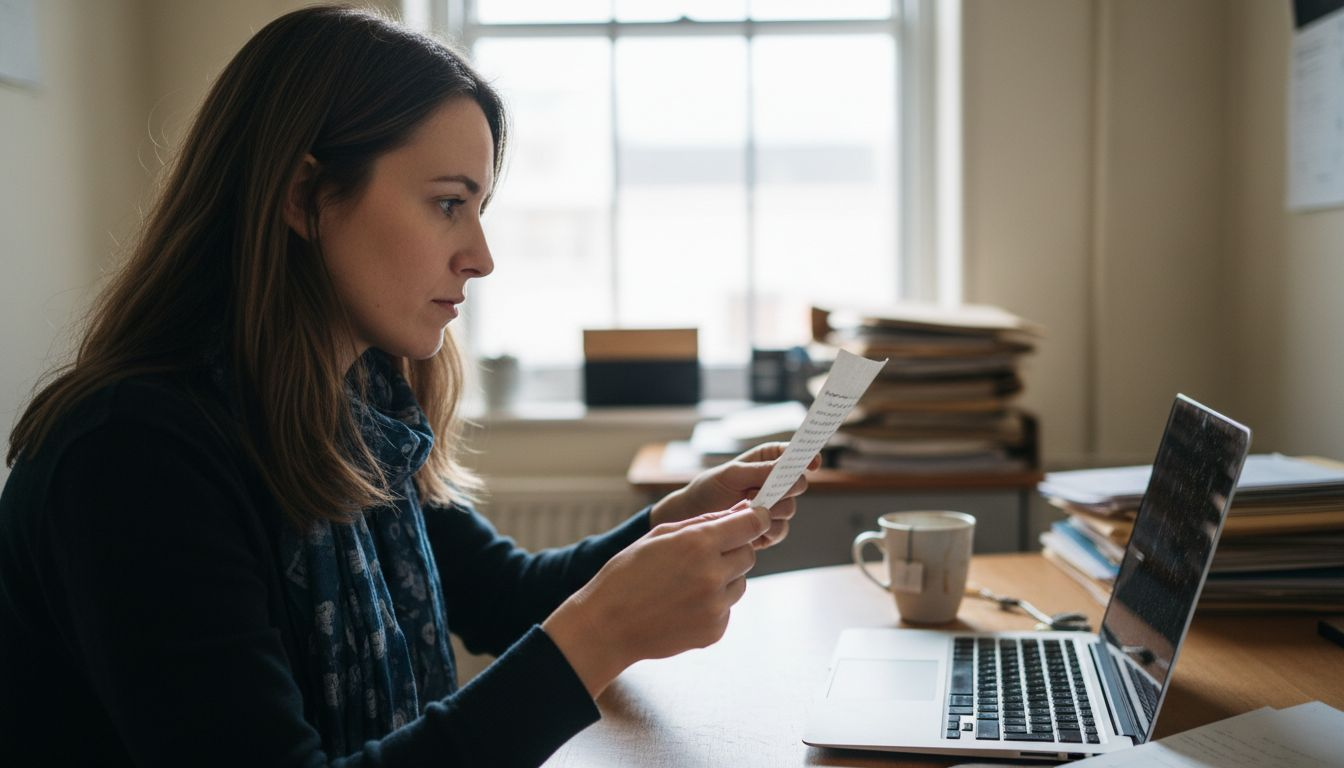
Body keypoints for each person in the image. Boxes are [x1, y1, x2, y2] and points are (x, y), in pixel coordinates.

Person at [0, 6, 815, 766]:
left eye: (480, 206)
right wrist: (597, 636)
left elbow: (501, 595)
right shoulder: (131, 456)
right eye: (448, 204)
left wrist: (669, 523)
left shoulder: (360, 409)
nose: (481, 256)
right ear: (305, 195)